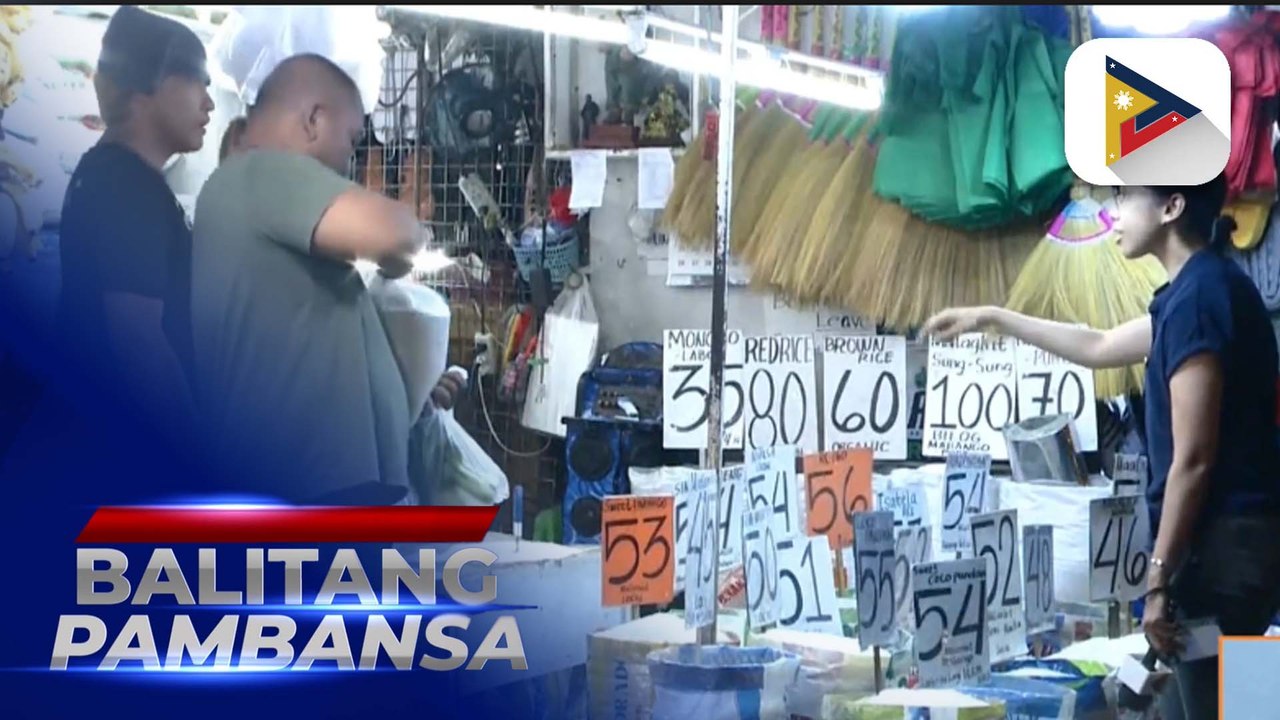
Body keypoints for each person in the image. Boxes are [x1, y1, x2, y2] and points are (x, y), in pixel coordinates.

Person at [922, 175, 1280, 719]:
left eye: (1124, 197)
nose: (1112, 214)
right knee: (1203, 707)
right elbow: (1099, 345)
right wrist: (993, 317)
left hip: (1223, 560)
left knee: (1223, 709)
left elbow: (1194, 459)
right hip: (1232, 556)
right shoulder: (1199, 290)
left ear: (1171, 207)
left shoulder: (1201, 298)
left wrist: (1157, 580)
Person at [191, 54, 424, 503]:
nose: (349, 159)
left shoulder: (251, 193)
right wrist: (404, 248)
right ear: (314, 120)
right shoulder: (262, 171)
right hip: (310, 497)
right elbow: (396, 235)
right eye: (352, 140)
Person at [57, 5, 212, 441]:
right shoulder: (126, 185)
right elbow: (140, 344)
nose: (209, 101)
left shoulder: (110, 173)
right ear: (151, 84)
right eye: (199, 80)